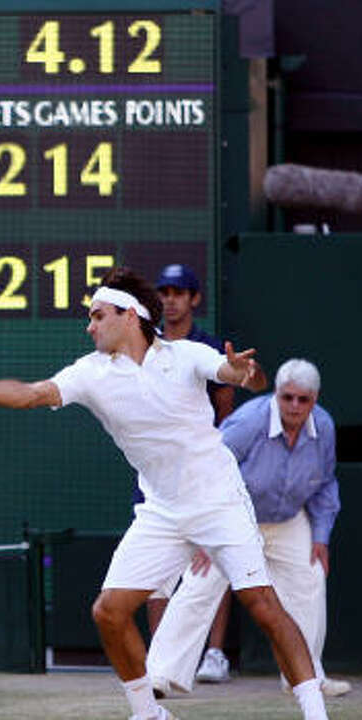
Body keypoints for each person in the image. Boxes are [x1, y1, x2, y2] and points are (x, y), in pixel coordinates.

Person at [0, 268, 341, 720]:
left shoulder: (185, 355)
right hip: (162, 510)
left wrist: (242, 372)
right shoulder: (91, 373)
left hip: (218, 499)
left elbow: (240, 376)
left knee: (261, 604)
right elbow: (35, 393)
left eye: (97, 316)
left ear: (130, 315)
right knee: (109, 612)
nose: (89, 326)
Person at [147, 358, 351, 697]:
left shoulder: (324, 427)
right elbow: (207, 469)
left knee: (310, 578)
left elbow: (325, 483)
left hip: (287, 519)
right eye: (287, 398)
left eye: (303, 399)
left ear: (314, 400)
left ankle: (305, 677)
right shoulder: (249, 421)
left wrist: (321, 537)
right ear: (276, 394)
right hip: (232, 518)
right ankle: (160, 675)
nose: (294, 406)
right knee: (201, 583)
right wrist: (204, 530)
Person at [142, 265, 235, 658]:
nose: (169, 299)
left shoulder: (210, 349)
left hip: (202, 474)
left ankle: (214, 654)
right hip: (156, 473)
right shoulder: (145, 347)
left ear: (194, 299)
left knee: (214, 561)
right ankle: (160, 655)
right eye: (163, 292)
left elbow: (225, 415)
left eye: (178, 292)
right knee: (154, 568)